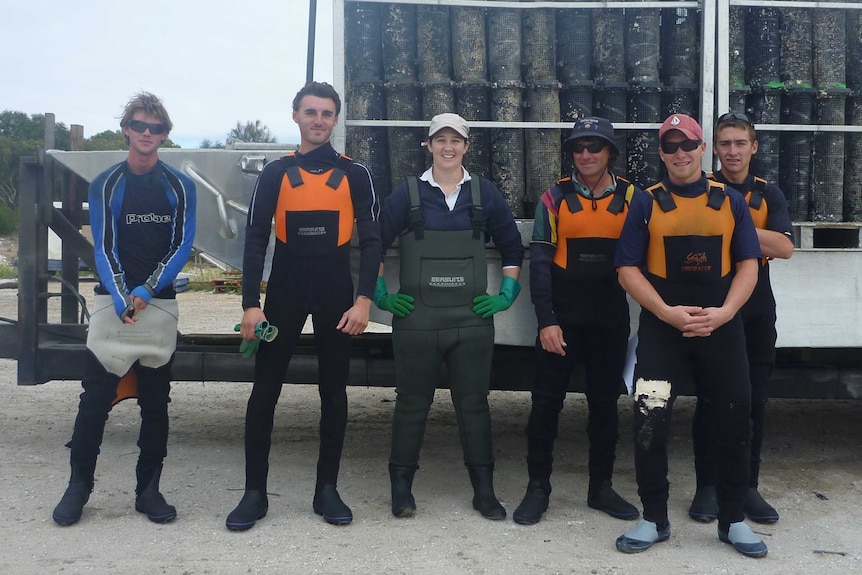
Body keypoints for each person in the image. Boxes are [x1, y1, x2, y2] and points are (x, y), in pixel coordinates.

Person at [225, 81, 381, 530]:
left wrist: (364, 300)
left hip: (336, 294)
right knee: (264, 392)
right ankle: (255, 493)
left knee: (334, 392)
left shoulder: (356, 174)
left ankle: (326, 490)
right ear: (295, 116)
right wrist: (250, 305)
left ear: (335, 120)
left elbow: (371, 243)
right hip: (285, 293)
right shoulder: (275, 173)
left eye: (327, 113)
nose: (318, 120)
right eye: (310, 112)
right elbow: (255, 241)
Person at [613, 113, 768, 558]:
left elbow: (749, 265)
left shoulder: (730, 201)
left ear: (703, 149)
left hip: (722, 330)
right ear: (661, 153)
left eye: (689, 144)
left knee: (735, 421)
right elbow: (627, 269)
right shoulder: (645, 202)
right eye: (671, 145)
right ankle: (653, 519)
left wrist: (724, 314)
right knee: (650, 421)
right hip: (663, 333)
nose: (680, 152)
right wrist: (666, 312)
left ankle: (734, 520)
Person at [52, 92, 197, 526]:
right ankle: (78, 487)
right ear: (127, 130)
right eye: (140, 125)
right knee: (93, 400)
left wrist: (148, 289)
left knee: (156, 403)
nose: (147, 134)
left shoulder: (179, 185)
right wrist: (121, 295)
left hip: (159, 302)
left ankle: (148, 491)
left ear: (165, 134)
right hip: (112, 301)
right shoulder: (106, 184)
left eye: (156, 128)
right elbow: (104, 246)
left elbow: (182, 244)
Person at [375, 113, 523, 520]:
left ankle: (484, 492)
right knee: (410, 404)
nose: (448, 147)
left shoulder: (485, 195)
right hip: (416, 323)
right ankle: (401, 491)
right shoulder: (406, 195)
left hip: (471, 323)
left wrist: (506, 294)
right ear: (428, 146)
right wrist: (380, 296)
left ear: (466, 146)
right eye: (440, 140)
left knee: (474, 405)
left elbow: (512, 247)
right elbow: (375, 244)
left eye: (455, 140)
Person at [512, 117, 641, 526]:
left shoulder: (635, 199)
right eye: (579, 148)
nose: (586, 155)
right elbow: (540, 266)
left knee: (605, 407)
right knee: (545, 405)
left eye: (595, 147)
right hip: (562, 321)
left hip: (609, 319)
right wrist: (547, 322)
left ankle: (600, 488)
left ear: (610, 153)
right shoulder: (553, 199)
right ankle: (537, 490)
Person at [688, 112, 794, 524]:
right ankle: (707, 487)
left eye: (740, 143)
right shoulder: (700, 187)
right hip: (713, 301)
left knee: (754, 400)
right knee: (711, 399)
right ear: (713, 149)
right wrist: (756, 235)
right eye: (724, 143)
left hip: (756, 306)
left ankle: (747, 486)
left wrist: (732, 224)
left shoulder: (769, 194)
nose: (732, 151)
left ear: (754, 147)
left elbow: (785, 248)